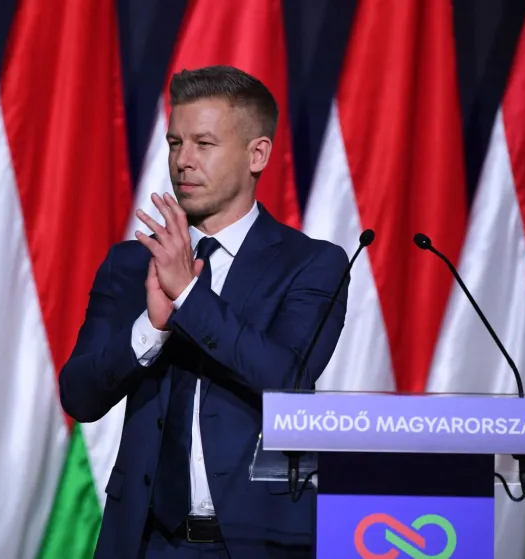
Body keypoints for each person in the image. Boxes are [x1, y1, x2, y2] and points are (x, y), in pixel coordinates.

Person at [59, 65, 349, 558]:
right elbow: (79, 396)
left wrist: (189, 297)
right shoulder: (129, 264)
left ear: (257, 154)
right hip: (144, 544)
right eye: (175, 143)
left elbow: (289, 380)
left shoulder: (312, 264)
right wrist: (150, 329)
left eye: (204, 144)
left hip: (255, 546)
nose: (182, 161)